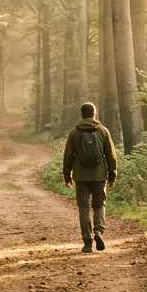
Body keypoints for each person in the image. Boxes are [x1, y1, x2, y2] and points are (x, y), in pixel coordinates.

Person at [61, 102, 118, 253]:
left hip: (81, 176)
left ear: (81, 115)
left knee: (84, 208)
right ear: (95, 114)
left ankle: (87, 241)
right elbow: (111, 156)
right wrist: (112, 175)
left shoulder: (74, 132)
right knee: (99, 205)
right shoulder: (103, 131)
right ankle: (98, 232)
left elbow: (68, 156)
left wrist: (67, 176)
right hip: (99, 176)